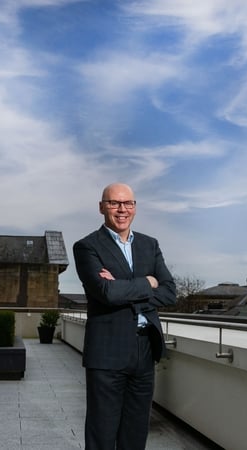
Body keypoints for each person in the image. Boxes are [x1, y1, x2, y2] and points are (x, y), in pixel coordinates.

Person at [73, 182, 177, 450]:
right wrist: (148, 282)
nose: (122, 210)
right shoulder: (86, 247)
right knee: (102, 435)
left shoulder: (149, 245)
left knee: (135, 434)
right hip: (107, 352)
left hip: (145, 349)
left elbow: (169, 292)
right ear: (101, 207)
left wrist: (123, 286)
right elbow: (105, 292)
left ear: (135, 207)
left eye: (128, 203)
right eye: (114, 203)